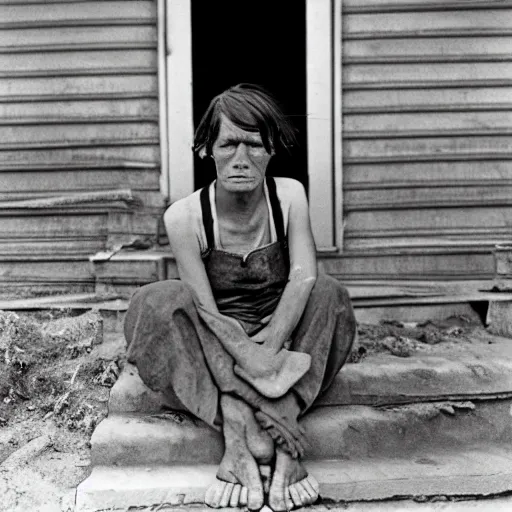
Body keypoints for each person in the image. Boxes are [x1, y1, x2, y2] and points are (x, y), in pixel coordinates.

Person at [124, 83, 356, 511]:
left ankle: (270, 445)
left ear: (272, 150)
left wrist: (270, 347)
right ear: (207, 150)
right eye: (228, 143)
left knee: (331, 295)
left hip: (281, 335)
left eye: (254, 144)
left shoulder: (289, 196)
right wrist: (246, 365)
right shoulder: (184, 216)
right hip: (216, 339)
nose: (241, 158)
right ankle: (245, 425)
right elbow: (205, 310)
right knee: (155, 303)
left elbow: (303, 278)